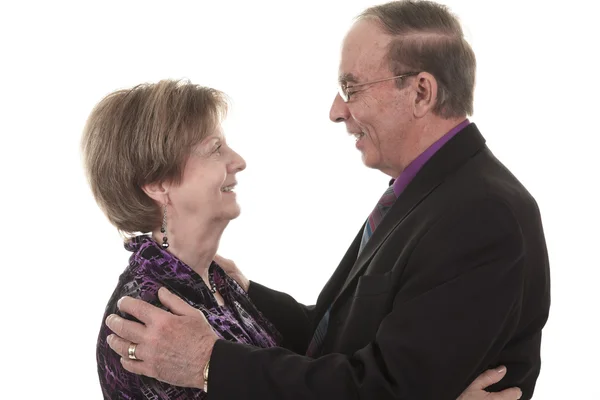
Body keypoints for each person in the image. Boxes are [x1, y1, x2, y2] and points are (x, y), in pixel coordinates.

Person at [105, 1, 551, 398]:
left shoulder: (479, 213)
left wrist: (208, 363)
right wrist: (249, 294)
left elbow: (385, 385)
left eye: (352, 87)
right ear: (157, 183)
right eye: (213, 148)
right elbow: (342, 338)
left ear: (420, 92)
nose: (337, 110)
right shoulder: (430, 194)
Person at [82, 80, 282, 399]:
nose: (238, 161)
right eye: (215, 148)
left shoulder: (219, 281)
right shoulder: (147, 314)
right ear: (158, 184)